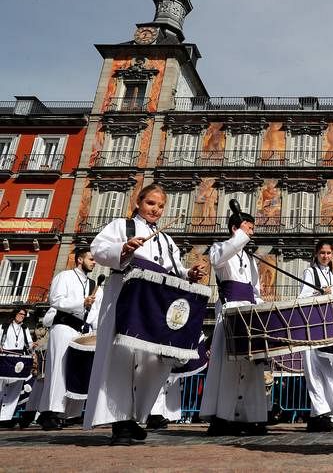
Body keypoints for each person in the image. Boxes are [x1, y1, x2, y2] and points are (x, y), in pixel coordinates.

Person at [85, 183, 206, 445]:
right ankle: (120, 422)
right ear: (139, 202)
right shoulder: (122, 226)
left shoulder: (166, 239)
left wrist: (189, 274)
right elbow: (98, 249)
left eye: (161, 206)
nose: (156, 209)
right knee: (122, 357)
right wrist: (124, 249)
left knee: (156, 358)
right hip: (126, 295)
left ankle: (135, 414)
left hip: (156, 302)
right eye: (151, 203)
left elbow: (174, 268)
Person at [200, 207, 269, 436]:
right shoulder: (220, 248)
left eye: (252, 230)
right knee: (228, 367)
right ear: (235, 229)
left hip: (249, 315)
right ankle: (222, 417)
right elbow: (218, 259)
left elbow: (255, 291)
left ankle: (251, 417)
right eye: (248, 228)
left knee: (251, 368)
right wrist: (240, 235)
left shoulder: (250, 260)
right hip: (229, 312)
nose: (251, 233)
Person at [37, 248, 98, 430]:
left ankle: (68, 413)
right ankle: (49, 412)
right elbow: (55, 300)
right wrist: (81, 303)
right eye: (91, 259)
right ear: (80, 259)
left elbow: (94, 311)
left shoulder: (93, 283)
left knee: (75, 370)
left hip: (81, 330)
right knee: (58, 370)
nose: (94, 262)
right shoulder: (64, 276)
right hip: (63, 326)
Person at [300, 241, 333, 432]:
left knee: (327, 371)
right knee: (312, 370)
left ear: (332, 255)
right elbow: (302, 298)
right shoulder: (310, 273)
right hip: (312, 326)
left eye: (328, 253)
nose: (325, 256)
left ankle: (317, 416)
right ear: (316, 254)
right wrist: (318, 292)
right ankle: (322, 412)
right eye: (322, 253)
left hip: (329, 329)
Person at [0, 307, 34, 428]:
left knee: (14, 389)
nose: (22, 316)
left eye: (24, 315)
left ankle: (6, 418)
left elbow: (29, 345)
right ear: (15, 314)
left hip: (19, 359)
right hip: (5, 357)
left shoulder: (25, 329)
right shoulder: (4, 327)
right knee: (1, 387)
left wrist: (33, 346)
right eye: (20, 314)